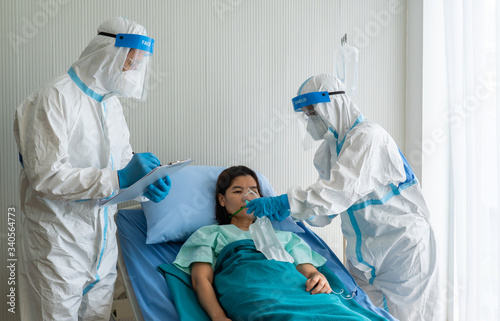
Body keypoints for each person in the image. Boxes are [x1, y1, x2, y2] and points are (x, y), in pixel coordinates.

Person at [246, 74, 440, 321]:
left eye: (312, 112)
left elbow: (336, 192)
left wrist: (285, 202)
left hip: (402, 249)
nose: (310, 120)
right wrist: (292, 213)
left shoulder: (368, 137)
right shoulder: (327, 151)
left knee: (411, 317)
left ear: (332, 104)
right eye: (306, 115)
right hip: (363, 256)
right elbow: (327, 209)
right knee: (365, 316)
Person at [13, 17, 171, 320]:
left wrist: (144, 186)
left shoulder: (112, 106)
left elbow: (122, 164)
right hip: (58, 245)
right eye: (129, 62)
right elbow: (46, 178)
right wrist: (121, 177)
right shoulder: (57, 96)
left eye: (137, 64)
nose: (132, 70)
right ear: (107, 51)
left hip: (102, 246)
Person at [173, 166, 390, 321]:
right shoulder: (210, 234)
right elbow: (200, 280)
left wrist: (319, 278)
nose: (247, 197)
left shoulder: (285, 237)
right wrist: (218, 316)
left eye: (253, 191)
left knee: (341, 313)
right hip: (254, 293)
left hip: (300, 292)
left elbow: (309, 272)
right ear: (222, 200)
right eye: (237, 191)